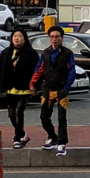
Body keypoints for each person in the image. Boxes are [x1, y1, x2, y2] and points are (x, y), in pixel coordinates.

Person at [0, 29, 40, 149]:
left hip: (24, 88)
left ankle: (17, 139)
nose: (17, 38)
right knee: (11, 114)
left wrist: (36, 86)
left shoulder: (31, 54)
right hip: (10, 88)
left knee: (19, 112)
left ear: (25, 38)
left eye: (20, 36)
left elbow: (38, 71)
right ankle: (23, 134)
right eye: (15, 36)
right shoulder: (6, 53)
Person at [32, 25, 78, 154]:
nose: (54, 39)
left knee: (61, 118)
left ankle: (62, 143)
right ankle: (53, 138)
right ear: (49, 38)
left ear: (62, 38)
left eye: (57, 37)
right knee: (44, 117)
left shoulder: (67, 53)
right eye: (52, 37)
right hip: (47, 89)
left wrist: (66, 88)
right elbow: (39, 70)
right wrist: (33, 84)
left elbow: (72, 72)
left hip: (61, 90)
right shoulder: (45, 53)